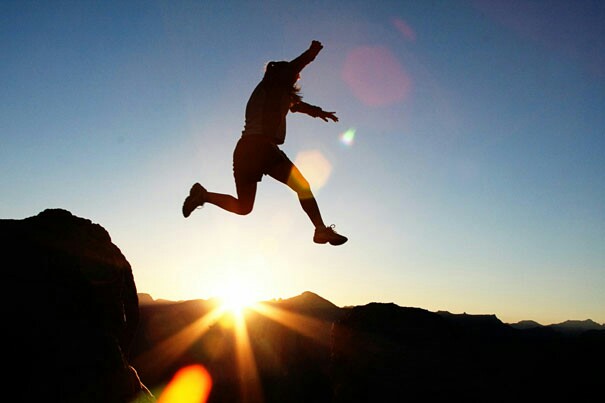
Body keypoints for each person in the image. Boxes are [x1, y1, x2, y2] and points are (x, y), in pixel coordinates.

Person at [183, 40, 347, 246]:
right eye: (292, 74)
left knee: (244, 207)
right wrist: (311, 53)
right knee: (303, 187)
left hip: (246, 150)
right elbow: (294, 68)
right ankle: (320, 230)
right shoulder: (271, 85)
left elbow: (298, 106)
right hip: (261, 147)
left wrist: (319, 112)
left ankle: (203, 195)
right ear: (280, 74)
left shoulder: (279, 94)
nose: (296, 77)